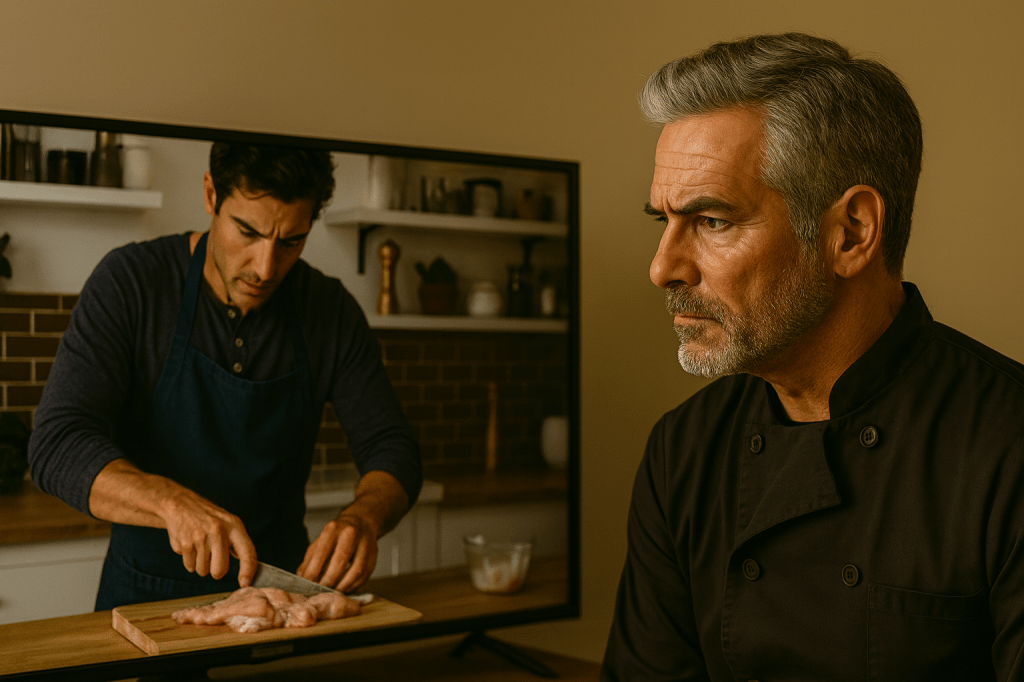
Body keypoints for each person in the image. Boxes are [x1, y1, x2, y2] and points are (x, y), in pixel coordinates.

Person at [601, 32, 1024, 680]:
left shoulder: (1006, 445)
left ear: (851, 232)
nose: (662, 267)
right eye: (664, 221)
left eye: (712, 221)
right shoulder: (682, 452)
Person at [28, 143, 421, 610]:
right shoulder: (130, 282)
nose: (266, 267)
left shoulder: (329, 310)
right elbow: (57, 442)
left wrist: (365, 517)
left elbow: (392, 447)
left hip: (280, 601)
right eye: (248, 232)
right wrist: (170, 503)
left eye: (291, 241)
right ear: (211, 194)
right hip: (145, 598)